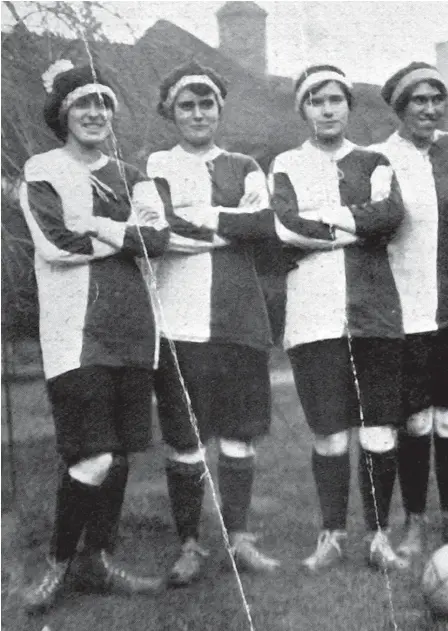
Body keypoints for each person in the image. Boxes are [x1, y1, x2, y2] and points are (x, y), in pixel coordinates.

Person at [19, 60, 169, 613]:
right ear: (63, 113)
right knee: (93, 455)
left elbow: (158, 238)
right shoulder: (43, 169)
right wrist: (129, 237)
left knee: (121, 454)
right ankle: (58, 566)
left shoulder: (136, 174)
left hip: (134, 330)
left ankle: (98, 560)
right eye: (83, 103)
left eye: (104, 102)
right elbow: (58, 244)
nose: (95, 113)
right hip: (75, 334)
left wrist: (103, 226)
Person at [142, 61, 280, 586]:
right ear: (171, 112)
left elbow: (262, 225)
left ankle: (240, 538)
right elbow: (160, 230)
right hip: (178, 322)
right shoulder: (154, 163)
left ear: (220, 110)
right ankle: (190, 544)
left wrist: (200, 215)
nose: (198, 113)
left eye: (207, 104)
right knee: (184, 439)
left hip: (239, 319)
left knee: (240, 437)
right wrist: (226, 221)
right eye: (187, 105)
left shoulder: (244, 163)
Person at [270, 65, 407, 571]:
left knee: (378, 432)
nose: (326, 109)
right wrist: (356, 222)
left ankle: (378, 536)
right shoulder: (285, 163)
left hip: (373, 315)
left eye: (335, 100)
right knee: (329, 433)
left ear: (348, 106)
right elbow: (286, 227)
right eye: (315, 101)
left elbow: (390, 216)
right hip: (313, 318)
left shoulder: (376, 160)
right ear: (303, 109)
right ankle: (331, 536)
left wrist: (325, 216)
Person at [377, 62, 448, 557]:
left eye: (436, 99)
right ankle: (416, 520)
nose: (429, 108)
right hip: (408, 308)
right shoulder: (381, 158)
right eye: (418, 100)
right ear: (401, 108)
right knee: (416, 419)